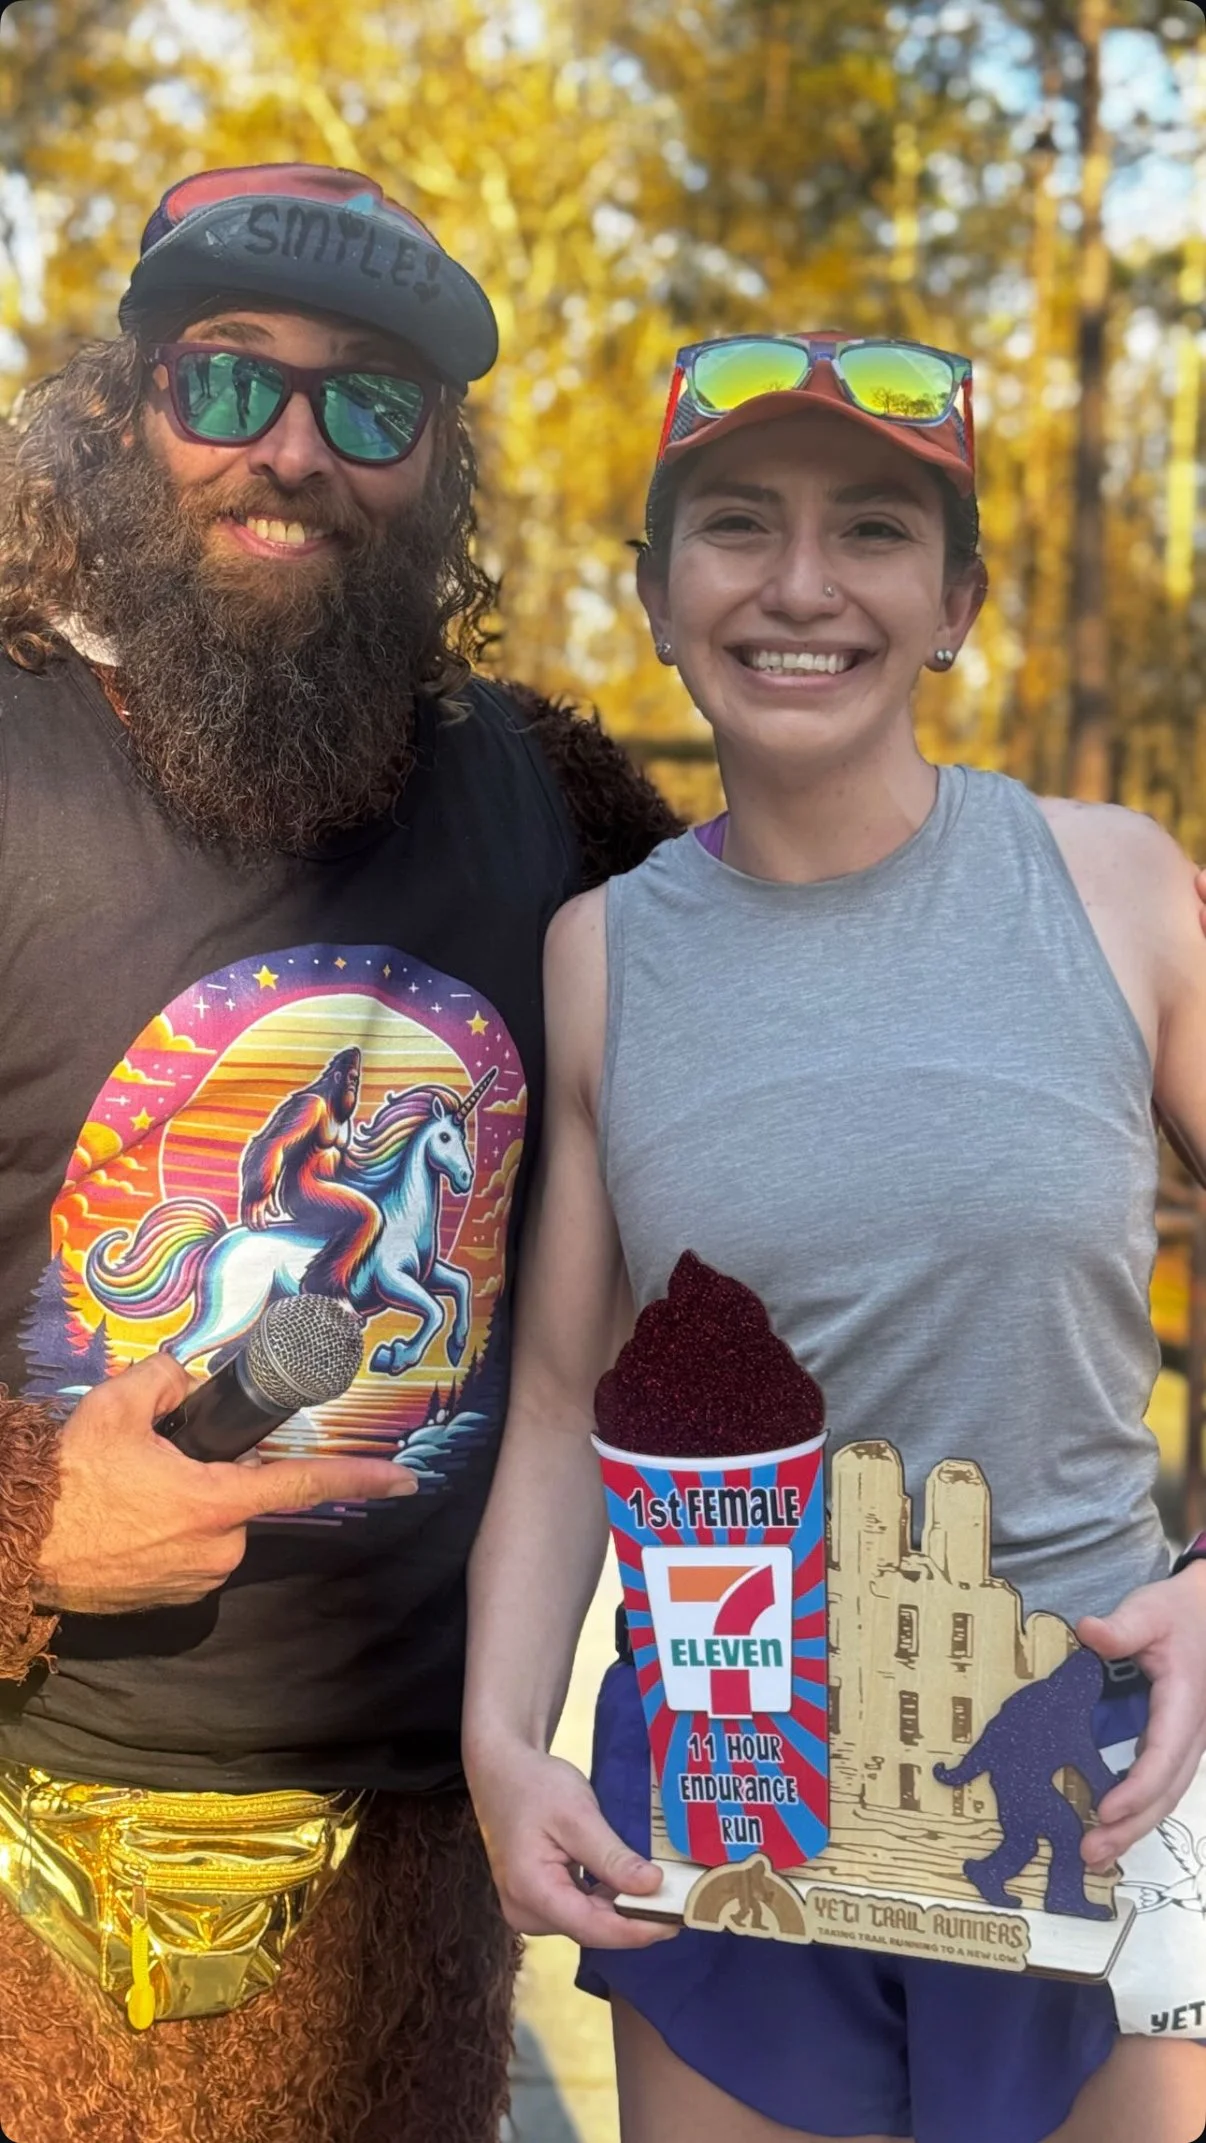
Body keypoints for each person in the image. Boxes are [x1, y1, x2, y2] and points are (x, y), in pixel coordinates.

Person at [464, 330, 1206, 2143]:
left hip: (1084, 1771)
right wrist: (504, 1739)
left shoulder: (1113, 886)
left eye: (872, 530)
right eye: (734, 526)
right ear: (652, 597)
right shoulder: (603, 958)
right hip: (724, 1805)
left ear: (953, 599)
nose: (800, 586)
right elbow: (565, 1398)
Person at [0, 162, 676, 2143]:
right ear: (125, 412)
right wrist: (28, 1518)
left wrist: (1070, 918)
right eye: (229, 385)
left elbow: (816, 1051)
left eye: (369, 403)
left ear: (443, 461)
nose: (292, 452)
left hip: (413, 1919)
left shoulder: (556, 809)